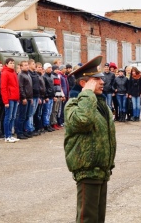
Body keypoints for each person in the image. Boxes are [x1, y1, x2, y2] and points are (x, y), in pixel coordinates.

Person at [64, 55, 116, 223]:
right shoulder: (73, 104)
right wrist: (87, 93)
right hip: (87, 169)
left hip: (101, 169)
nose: (102, 82)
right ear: (83, 83)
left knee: (98, 218)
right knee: (87, 219)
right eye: (96, 79)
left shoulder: (101, 104)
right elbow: (83, 121)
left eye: (101, 78)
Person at [0, 58, 20, 143]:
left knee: (13, 117)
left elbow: (16, 87)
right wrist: (5, 101)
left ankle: (10, 135)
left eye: (13, 63)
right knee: (8, 117)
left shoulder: (14, 73)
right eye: (11, 63)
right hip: (9, 98)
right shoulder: (5, 73)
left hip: (15, 98)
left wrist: (18, 98)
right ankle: (7, 135)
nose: (12, 64)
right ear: (7, 64)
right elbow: (3, 88)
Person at [42, 63, 56, 132]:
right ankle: (46, 124)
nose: (50, 69)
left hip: (51, 96)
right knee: (46, 111)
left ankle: (48, 123)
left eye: (51, 67)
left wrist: (53, 95)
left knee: (49, 111)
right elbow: (44, 88)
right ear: (45, 69)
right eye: (49, 68)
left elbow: (52, 87)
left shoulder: (50, 77)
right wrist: (46, 96)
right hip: (47, 97)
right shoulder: (44, 77)